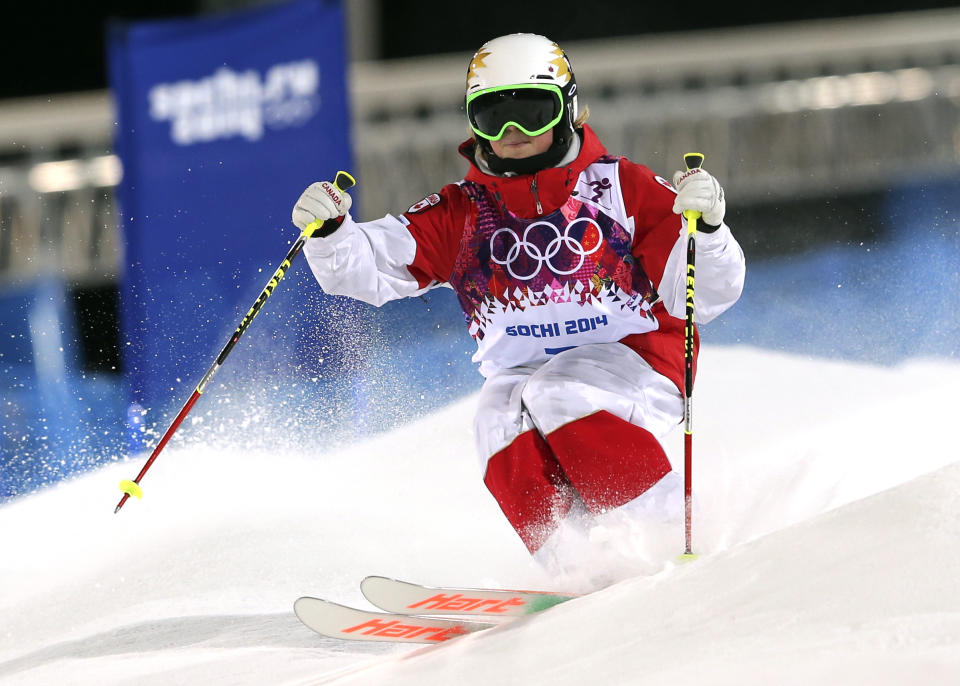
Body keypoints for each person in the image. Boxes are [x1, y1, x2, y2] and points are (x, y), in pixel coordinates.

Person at [292, 33, 745, 585]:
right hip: (524, 368)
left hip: (639, 354)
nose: (511, 135)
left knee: (563, 390)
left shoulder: (621, 188)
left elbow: (704, 295)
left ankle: (671, 532)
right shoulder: (463, 212)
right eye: (491, 117)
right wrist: (332, 234)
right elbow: (369, 267)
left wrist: (711, 233)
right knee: (496, 419)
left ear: (569, 110)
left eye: (531, 113)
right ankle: (578, 565)